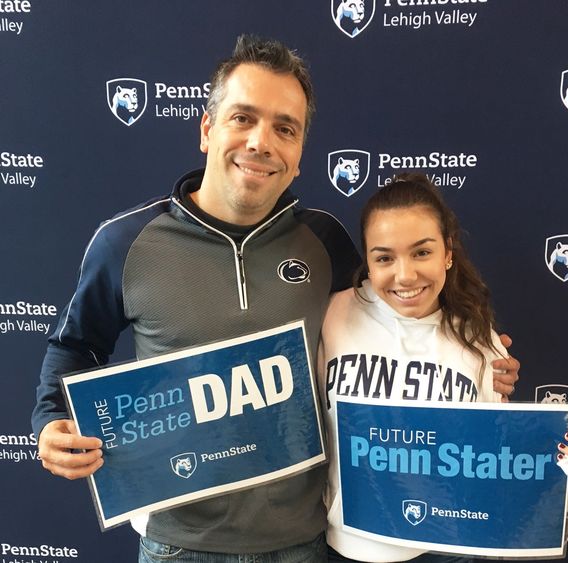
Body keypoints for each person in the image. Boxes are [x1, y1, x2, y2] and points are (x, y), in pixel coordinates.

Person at [31, 36, 520, 562]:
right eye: (243, 118)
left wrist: (476, 356)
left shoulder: (324, 241)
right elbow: (76, 347)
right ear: (207, 128)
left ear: (300, 153)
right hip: (177, 545)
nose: (262, 142)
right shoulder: (127, 243)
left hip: (302, 544)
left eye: (285, 128)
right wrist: (50, 423)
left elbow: (391, 319)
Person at [318, 173, 568, 563]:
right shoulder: (332, 311)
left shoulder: (479, 342)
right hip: (346, 546)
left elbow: (497, 467)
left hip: (443, 548)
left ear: (448, 253)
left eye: (422, 252)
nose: (405, 275)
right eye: (384, 257)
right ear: (368, 262)